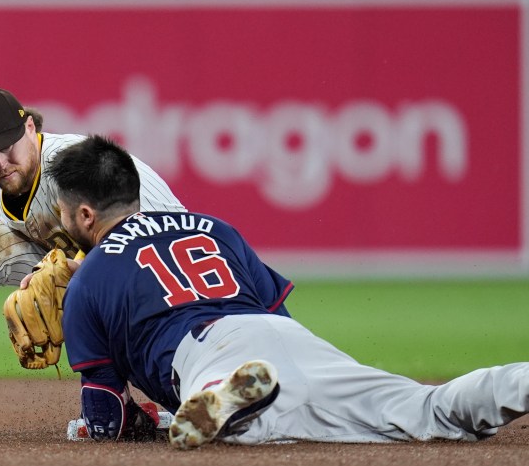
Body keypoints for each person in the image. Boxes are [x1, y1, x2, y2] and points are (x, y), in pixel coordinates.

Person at [49, 134, 529, 449]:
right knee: (427, 410)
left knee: (242, 426)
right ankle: (519, 382)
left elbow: (105, 417)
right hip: (287, 338)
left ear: (86, 215)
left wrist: (108, 425)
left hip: (203, 352)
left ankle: (225, 400)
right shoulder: (214, 228)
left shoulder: (88, 279)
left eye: (65, 212)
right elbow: (278, 313)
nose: (62, 221)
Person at [0, 87, 186, 382]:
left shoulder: (77, 166)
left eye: (6, 146)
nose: (0, 164)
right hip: (106, 267)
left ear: (28, 128)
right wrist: (53, 275)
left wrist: (78, 273)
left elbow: (146, 239)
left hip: (165, 268)